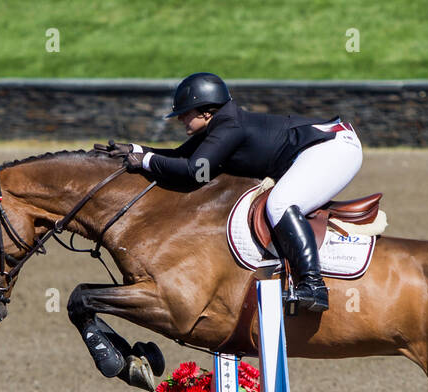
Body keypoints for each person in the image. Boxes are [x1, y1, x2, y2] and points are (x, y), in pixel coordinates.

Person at [112, 72, 364, 313]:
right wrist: (135, 150)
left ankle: (313, 286)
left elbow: (192, 170)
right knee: (279, 203)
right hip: (320, 145)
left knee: (280, 204)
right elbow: (181, 155)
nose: (180, 119)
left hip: (333, 148)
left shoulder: (229, 126)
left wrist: (145, 161)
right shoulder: (221, 124)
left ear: (206, 110)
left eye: (184, 113)